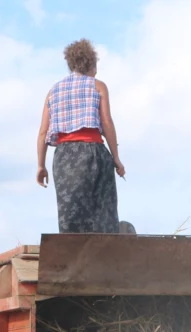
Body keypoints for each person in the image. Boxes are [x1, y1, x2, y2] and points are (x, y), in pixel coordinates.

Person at [35, 39, 126, 233]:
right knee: (103, 213)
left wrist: (41, 166)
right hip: (92, 153)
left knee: (71, 214)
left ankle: (73, 255)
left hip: (64, 156)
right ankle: (106, 252)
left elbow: (43, 132)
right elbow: (107, 122)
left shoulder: (53, 91)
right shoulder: (98, 86)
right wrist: (116, 158)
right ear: (91, 65)